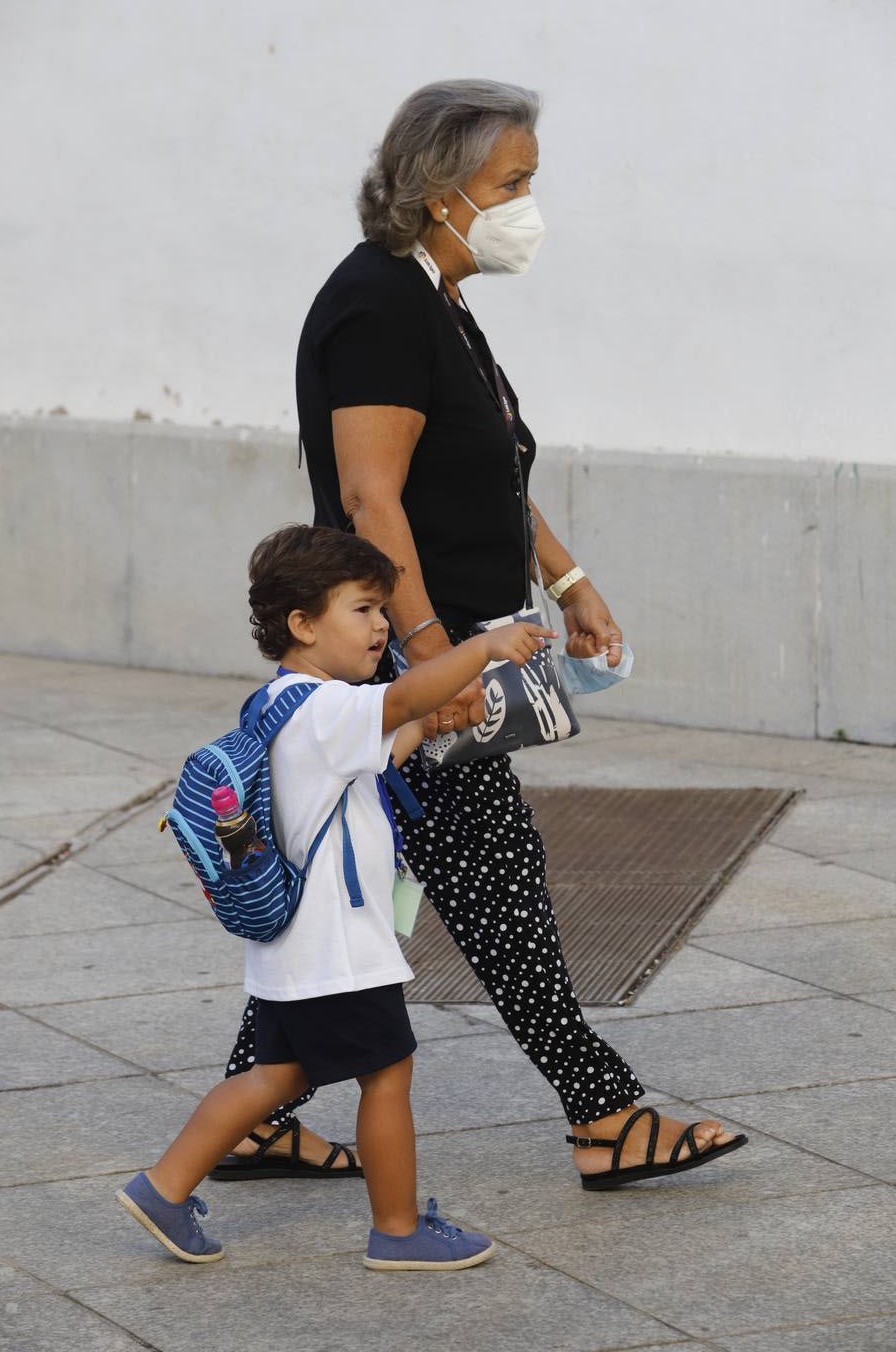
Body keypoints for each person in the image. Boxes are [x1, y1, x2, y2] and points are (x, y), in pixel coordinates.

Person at [217, 78, 747, 1190]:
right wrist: (424, 657)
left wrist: (573, 580)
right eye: (512, 184)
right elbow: (371, 499)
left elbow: (494, 472)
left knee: (356, 889)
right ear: (439, 189)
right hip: (415, 660)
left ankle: (252, 1113)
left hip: (442, 651)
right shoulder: (377, 305)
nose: (526, 207)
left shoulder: (440, 302)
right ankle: (603, 1112)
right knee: (488, 878)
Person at [118, 523, 556, 1268]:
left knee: (277, 1075)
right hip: (338, 946)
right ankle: (397, 1229)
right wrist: (476, 651)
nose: (381, 625)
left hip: (294, 950)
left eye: (383, 609)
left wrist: (433, 718)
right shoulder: (325, 708)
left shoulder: (286, 705)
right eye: (362, 609)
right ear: (302, 623)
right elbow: (396, 702)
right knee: (387, 1072)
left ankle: (164, 1187)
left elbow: (384, 738)